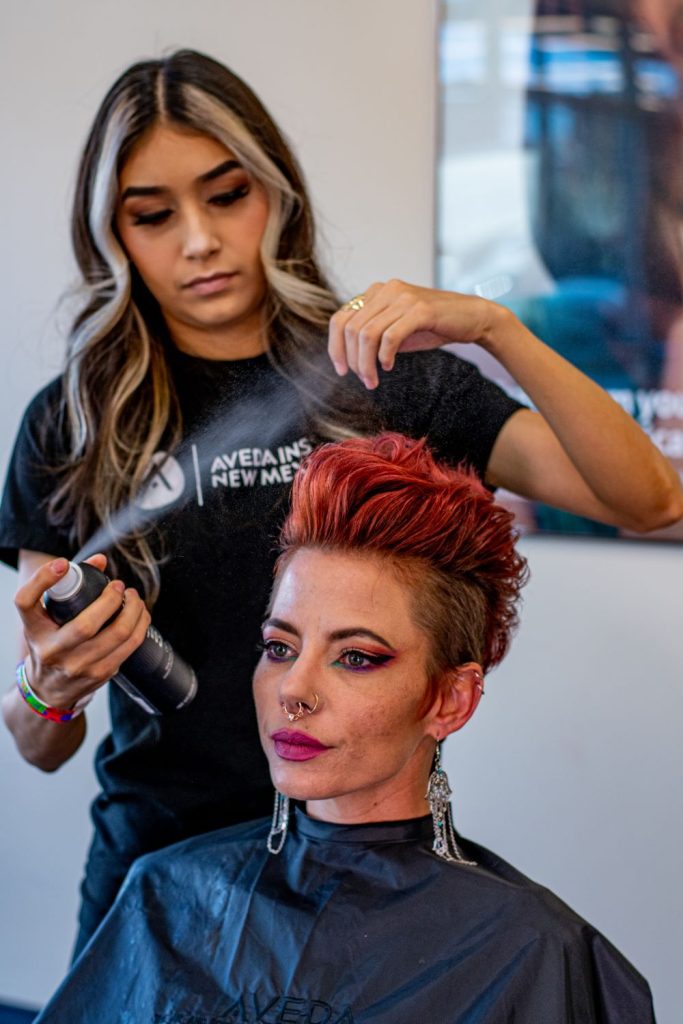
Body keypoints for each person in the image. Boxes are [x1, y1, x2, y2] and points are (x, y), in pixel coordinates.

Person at [0, 49, 681, 958]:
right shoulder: (77, 422)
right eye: (153, 215)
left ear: (276, 193)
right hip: (158, 881)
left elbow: (649, 499)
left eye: (227, 195)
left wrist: (496, 328)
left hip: (363, 873)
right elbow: (40, 745)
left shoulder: (387, 379)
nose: (198, 241)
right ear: (113, 235)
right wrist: (47, 689)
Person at [32, 433, 655, 1023]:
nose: (293, 690)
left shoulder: (535, 950)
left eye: (355, 656)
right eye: (279, 647)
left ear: (450, 700)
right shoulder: (167, 897)